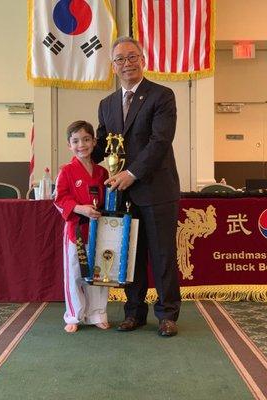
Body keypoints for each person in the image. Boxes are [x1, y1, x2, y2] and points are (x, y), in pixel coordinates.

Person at [93, 36, 181, 337]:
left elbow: (160, 142)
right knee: (130, 254)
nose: (127, 63)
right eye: (120, 59)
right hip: (123, 195)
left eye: (132, 57)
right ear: (113, 66)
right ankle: (134, 313)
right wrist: (78, 150)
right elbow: (102, 145)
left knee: (162, 255)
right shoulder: (106, 104)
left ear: (143, 60)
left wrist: (131, 173)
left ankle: (168, 315)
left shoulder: (161, 96)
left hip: (157, 190)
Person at [55, 120, 110, 333]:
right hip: (76, 230)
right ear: (69, 145)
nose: (82, 145)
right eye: (76, 141)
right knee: (75, 273)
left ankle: (97, 313)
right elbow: (59, 199)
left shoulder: (102, 172)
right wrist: (80, 208)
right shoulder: (67, 171)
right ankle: (74, 315)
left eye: (86, 139)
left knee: (97, 273)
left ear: (94, 142)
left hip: (98, 230)